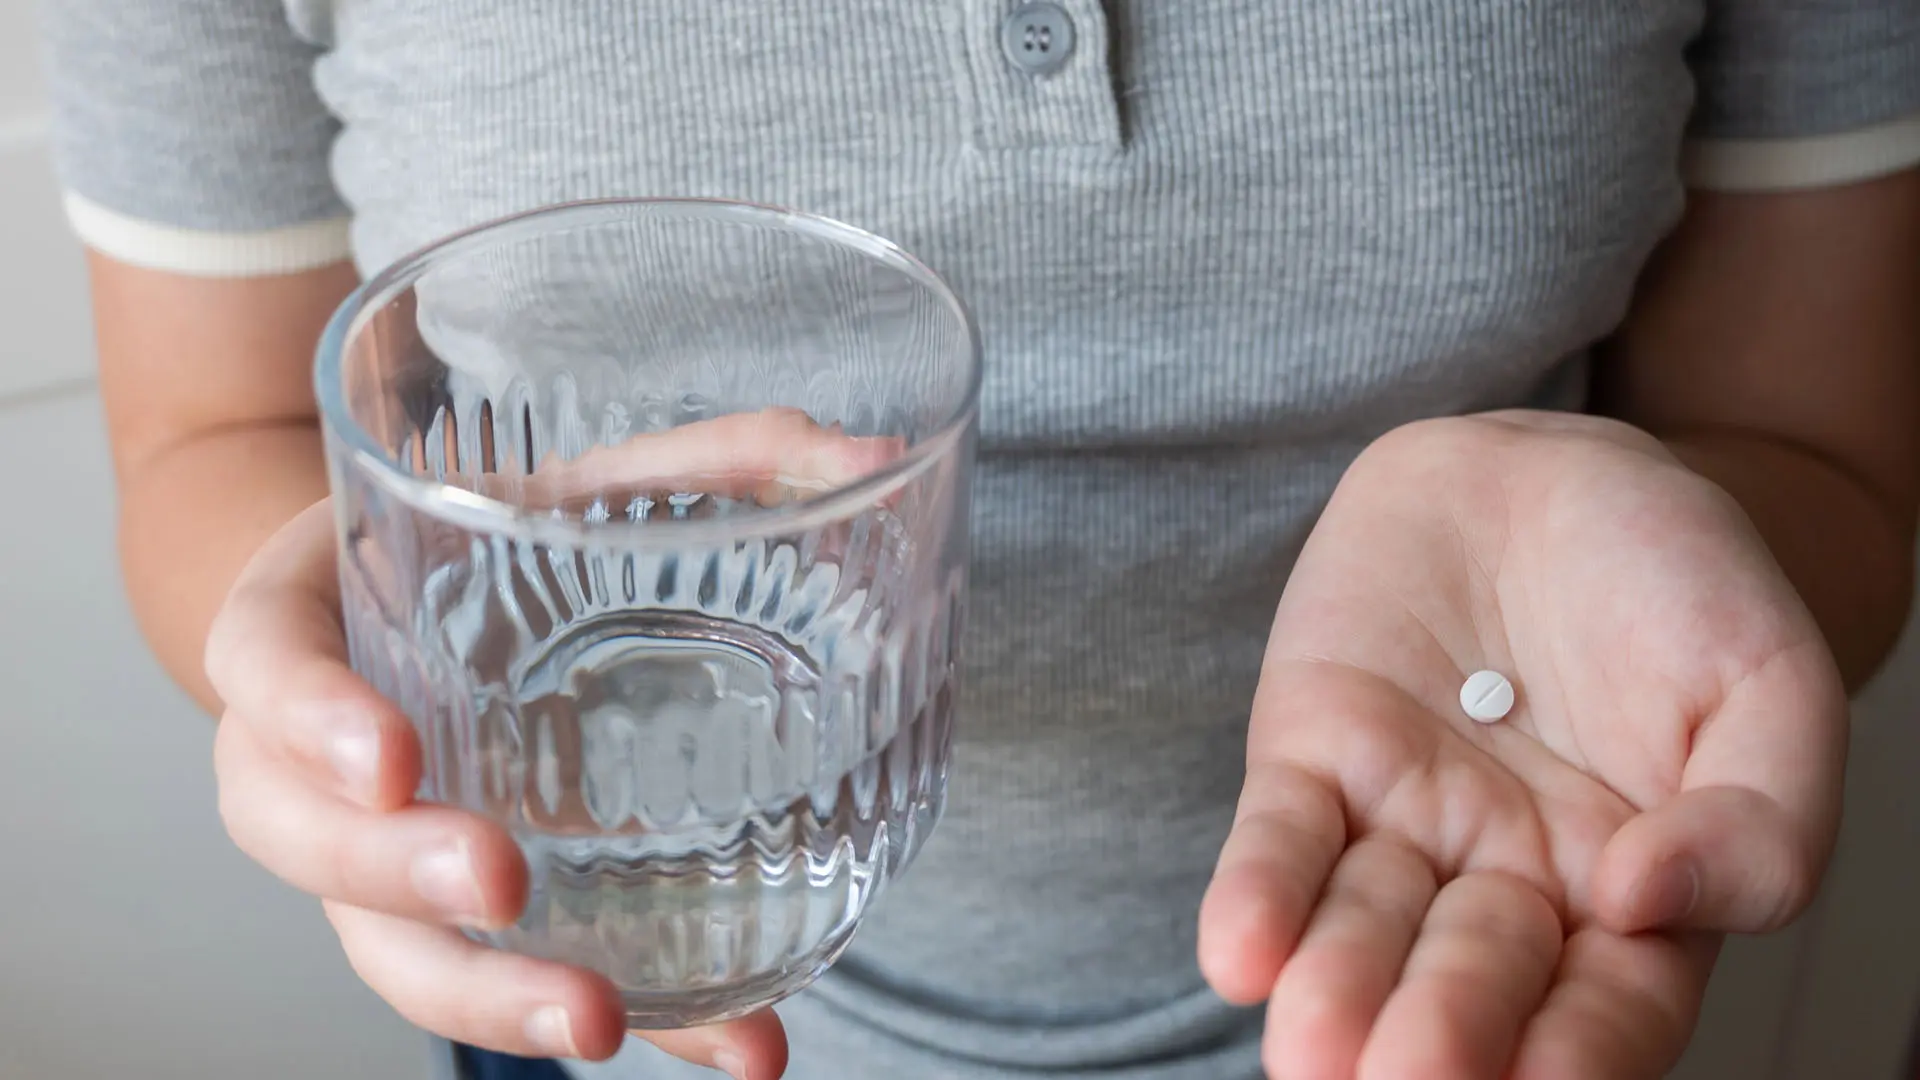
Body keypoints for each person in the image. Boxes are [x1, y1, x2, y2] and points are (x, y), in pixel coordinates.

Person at [34, 2, 1920, 1078]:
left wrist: (1687, 557)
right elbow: (216, 437)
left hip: (1483, 956)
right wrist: (328, 668)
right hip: (603, 977)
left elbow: (1813, 453)